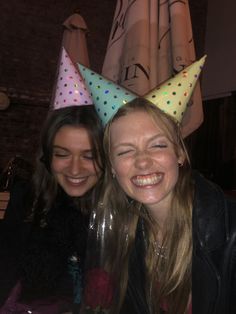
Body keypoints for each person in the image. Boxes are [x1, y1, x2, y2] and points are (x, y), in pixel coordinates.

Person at [78, 57, 236, 314]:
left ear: (180, 154)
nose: (142, 161)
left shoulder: (231, 231)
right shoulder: (127, 231)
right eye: (126, 151)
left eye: (158, 145)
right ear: (113, 169)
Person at [0, 48, 104, 314]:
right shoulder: (28, 200)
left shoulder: (115, 213)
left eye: (89, 156)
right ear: (47, 156)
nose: (75, 168)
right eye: (62, 154)